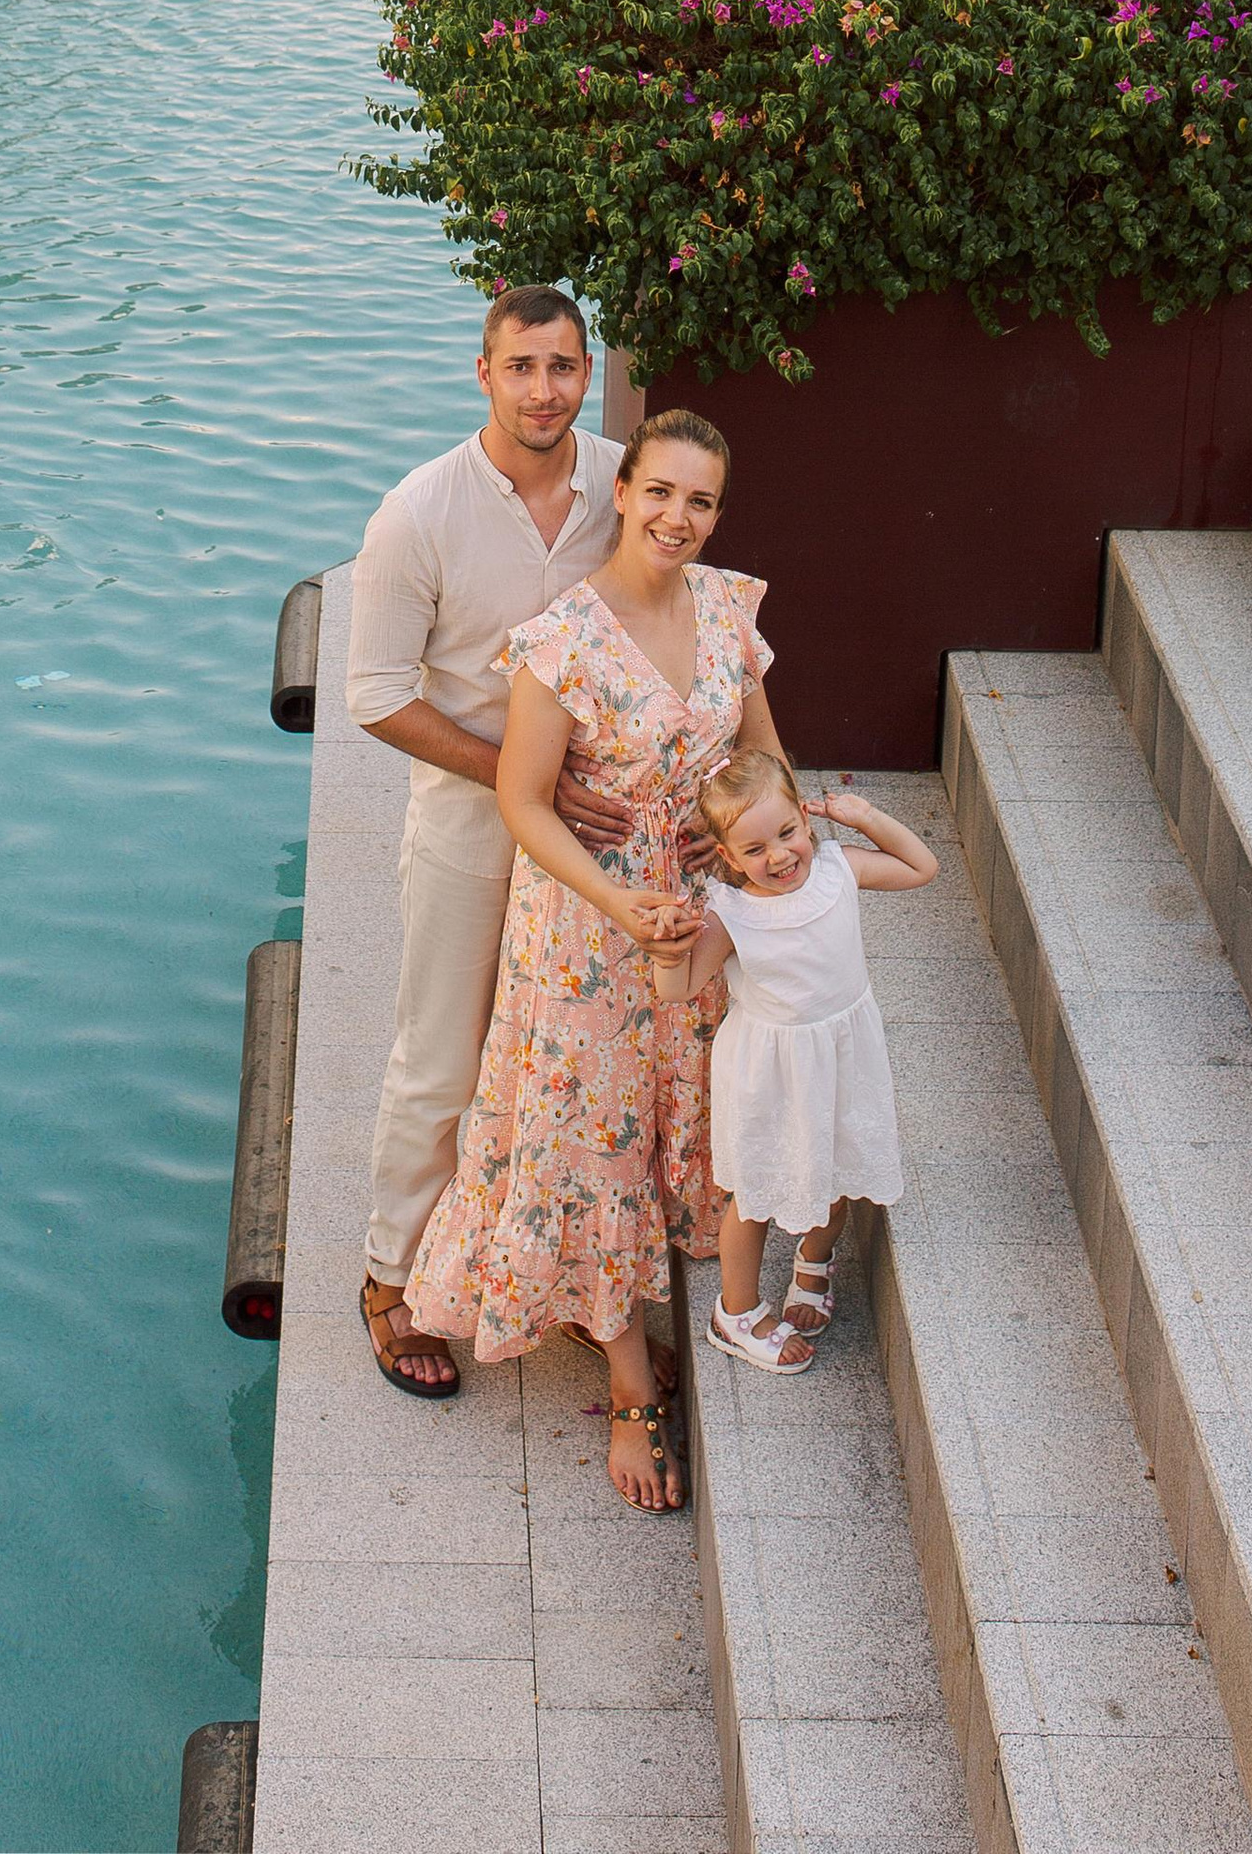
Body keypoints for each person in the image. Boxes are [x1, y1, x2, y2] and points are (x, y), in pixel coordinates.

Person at [404, 413, 783, 1515]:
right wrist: (619, 898)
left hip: (697, 912)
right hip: (581, 928)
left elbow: (763, 754)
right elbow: (523, 800)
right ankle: (625, 1379)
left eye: (700, 502)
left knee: (671, 1110)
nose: (677, 518)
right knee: (586, 1136)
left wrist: (750, 839)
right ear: (624, 492)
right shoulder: (559, 637)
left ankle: (614, 1300)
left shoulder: (729, 610)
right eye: (659, 492)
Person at [346, 289, 629, 1403]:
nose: (544, 390)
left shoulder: (622, 486)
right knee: (444, 1060)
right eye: (521, 368)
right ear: (482, 373)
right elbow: (373, 696)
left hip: (596, 823)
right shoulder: (417, 513)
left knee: (564, 1053)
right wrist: (520, 777)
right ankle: (388, 1281)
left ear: (588, 369)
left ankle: (539, 1267)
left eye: (562, 368)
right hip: (470, 826)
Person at [647, 747, 934, 1376]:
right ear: (726, 857)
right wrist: (670, 947)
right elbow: (678, 988)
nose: (778, 856)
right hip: (768, 1072)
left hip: (841, 1052)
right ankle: (738, 1310)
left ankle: (814, 1258)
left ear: (807, 819)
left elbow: (922, 867)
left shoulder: (838, 868)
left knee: (834, 1164)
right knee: (751, 1195)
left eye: (787, 833)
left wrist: (865, 818)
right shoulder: (732, 912)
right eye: (753, 850)